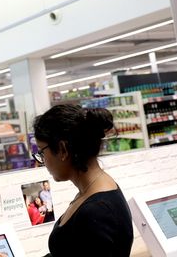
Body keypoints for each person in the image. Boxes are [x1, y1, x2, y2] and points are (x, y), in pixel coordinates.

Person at [32, 105, 133, 257]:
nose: (42, 161)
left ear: (63, 150)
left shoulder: (97, 211)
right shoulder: (92, 193)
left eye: (41, 152)